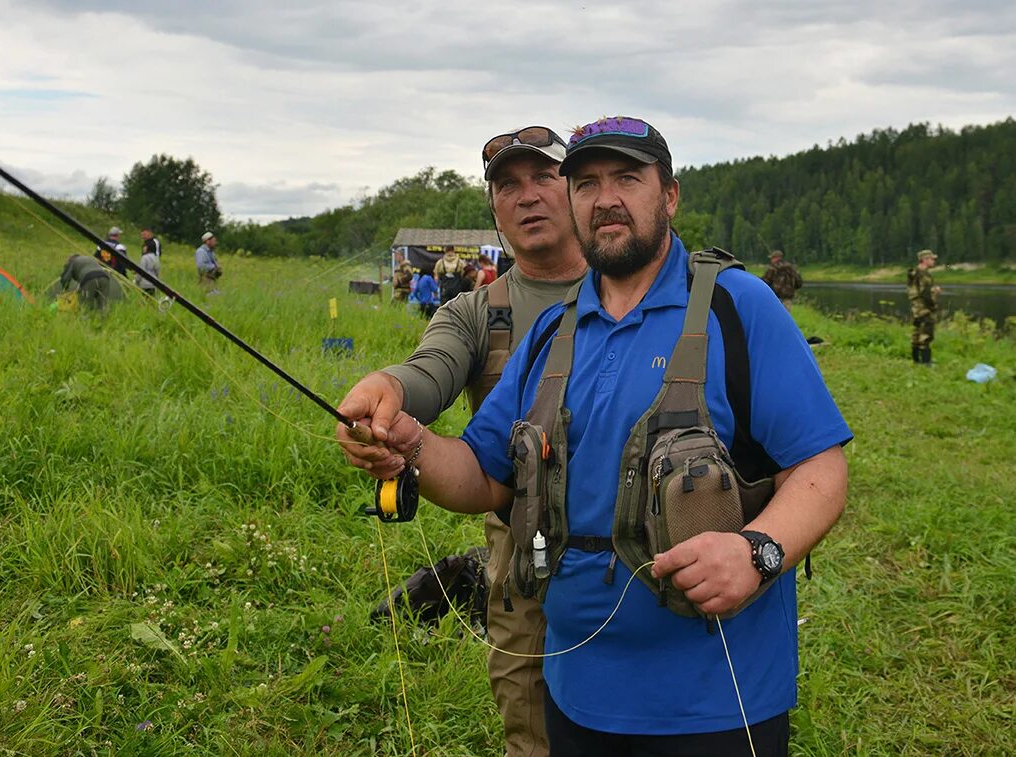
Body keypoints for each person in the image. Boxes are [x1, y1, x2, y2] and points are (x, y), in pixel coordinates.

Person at [344, 117, 851, 756]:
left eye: (626, 178)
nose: (604, 197)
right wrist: (411, 442)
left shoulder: (737, 306)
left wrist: (759, 553)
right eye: (586, 183)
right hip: (572, 690)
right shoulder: (551, 334)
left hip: (716, 703)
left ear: (668, 195)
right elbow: (483, 474)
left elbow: (819, 469)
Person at [337, 124, 587, 757]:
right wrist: (387, 392)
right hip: (523, 551)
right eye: (507, 186)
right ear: (494, 210)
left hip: (638, 550)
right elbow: (428, 372)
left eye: (542, 178)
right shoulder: (474, 312)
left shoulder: (633, 290)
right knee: (530, 724)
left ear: (577, 188)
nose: (526, 196)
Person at [56, 254, 125, 311]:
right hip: (105, 278)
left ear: (71, 259)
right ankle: (102, 323)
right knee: (103, 304)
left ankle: (86, 323)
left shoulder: (73, 262)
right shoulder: (89, 259)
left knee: (86, 304)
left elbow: (65, 278)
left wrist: (65, 289)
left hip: (89, 279)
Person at [908, 249, 940, 364]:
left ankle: (916, 360)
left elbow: (915, 291)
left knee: (916, 333)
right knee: (926, 334)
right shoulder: (924, 275)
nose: (934, 261)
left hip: (915, 308)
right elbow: (925, 294)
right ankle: (926, 362)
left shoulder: (914, 273)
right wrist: (933, 302)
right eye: (932, 259)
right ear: (924, 260)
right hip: (924, 308)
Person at [134, 227, 163, 296]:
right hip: (146, 263)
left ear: (150, 233)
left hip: (151, 264)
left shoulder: (155, 242)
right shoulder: (145, 243)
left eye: (145, 234)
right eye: (142, 235)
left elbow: (157, 255)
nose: (143, 236)